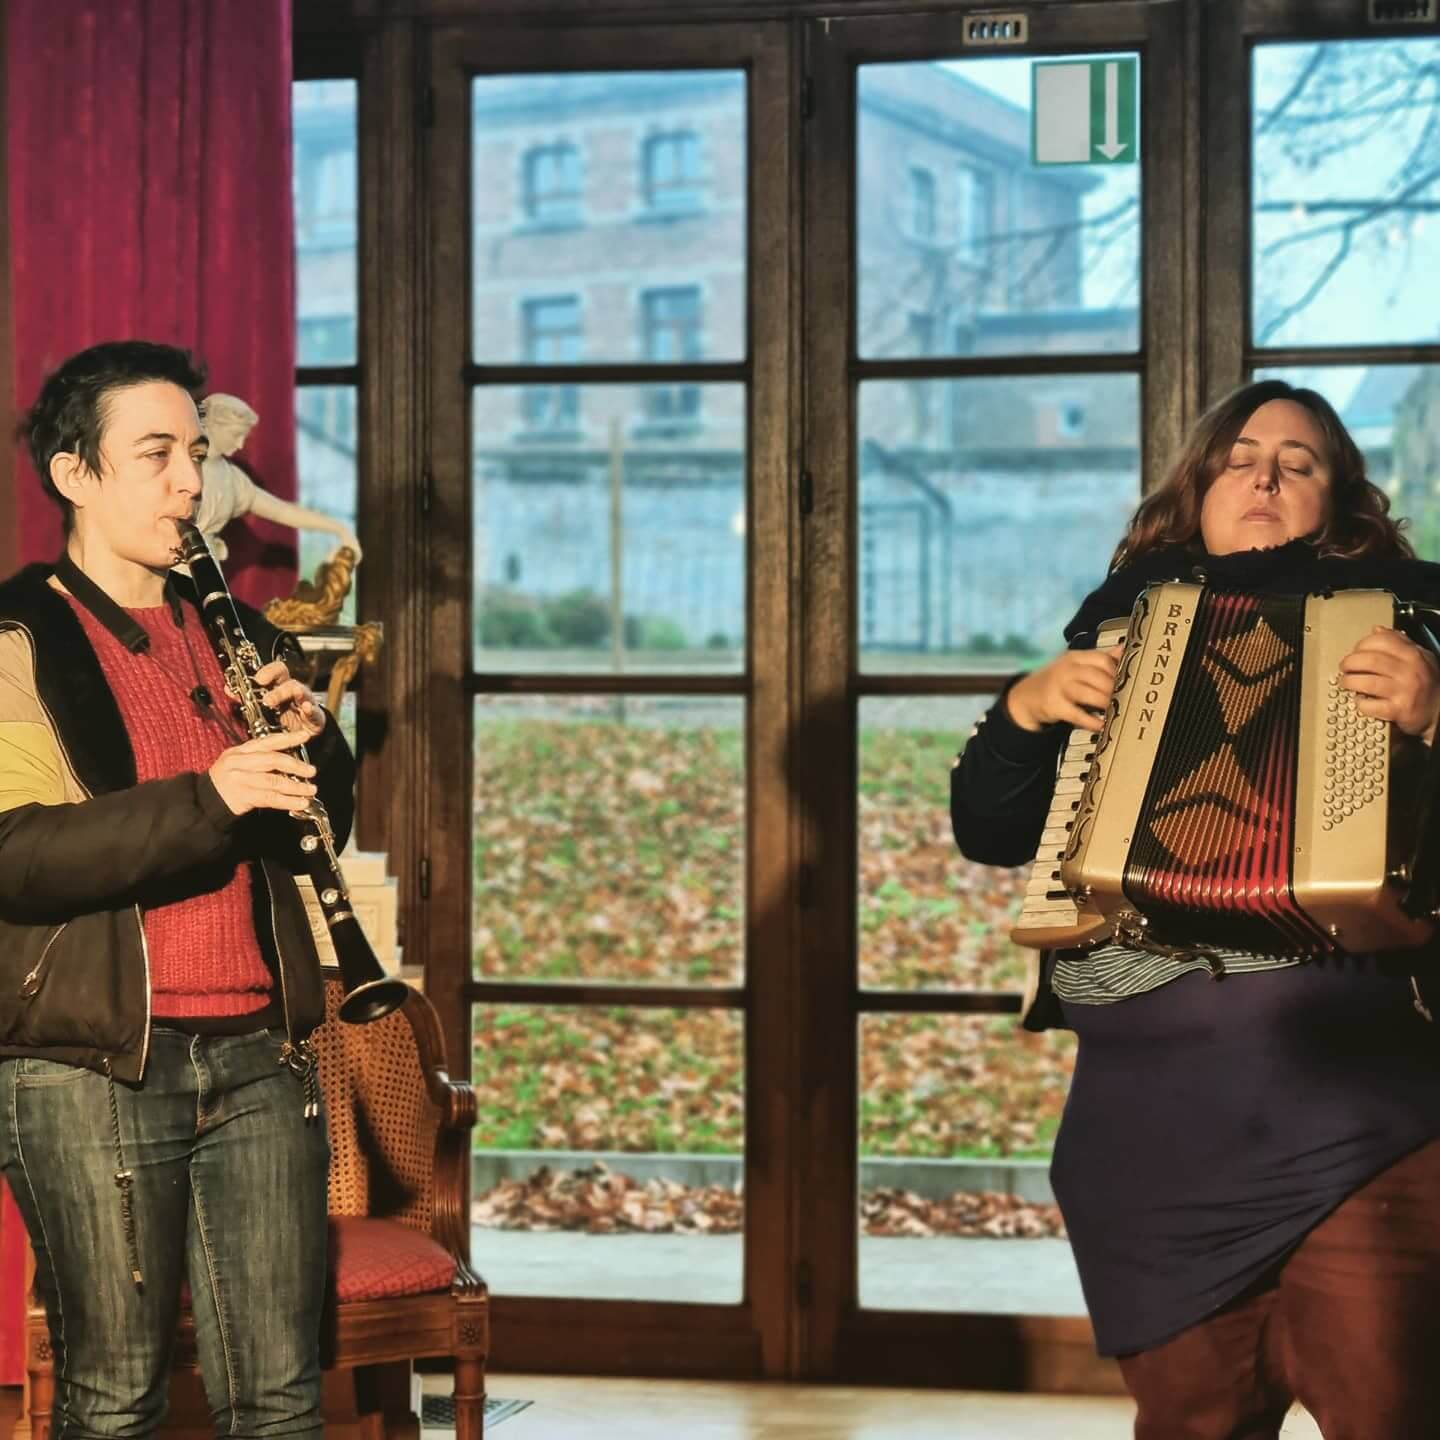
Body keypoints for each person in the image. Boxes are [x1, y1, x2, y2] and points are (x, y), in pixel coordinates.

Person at [952, 378, 1440, 1439]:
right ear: (1200, 488)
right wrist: (1026, 709)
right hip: (1147, 1129)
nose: (1264, 475)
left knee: (1391, 1415)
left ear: (1343, 500)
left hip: (1356, 1121)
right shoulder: (1122, 621)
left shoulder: (1421, 619)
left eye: (1298, 462)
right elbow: (992, 833)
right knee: (1190, 1426)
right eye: (1240, 457)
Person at [0, 340, 356, 1438]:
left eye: (195, 454)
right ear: (75, 474)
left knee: (283, 1403)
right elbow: (20, 855)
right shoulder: (17, 638)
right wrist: (214, 796)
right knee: (113, 1404)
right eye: (155, 454)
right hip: (90, 1067)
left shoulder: (234, 628)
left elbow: (309, 836)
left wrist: (318, 751)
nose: (192, 482)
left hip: (257, 1052)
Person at [195, 391, 362, 564]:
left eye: (244, 437)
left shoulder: (232, 480)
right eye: (236, 435)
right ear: (214, 426)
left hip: (208, 572)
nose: (240, 444)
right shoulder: (178, 467)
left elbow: (282, 511)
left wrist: (338, 528)